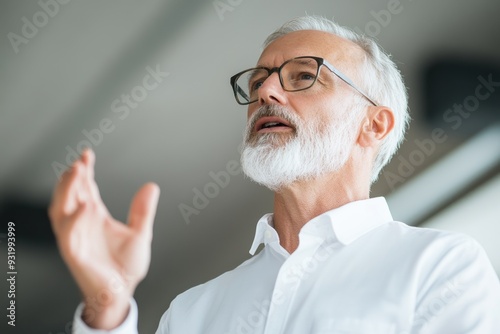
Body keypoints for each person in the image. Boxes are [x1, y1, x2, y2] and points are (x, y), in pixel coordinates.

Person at [49, 16, 500, 334]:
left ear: (373, 124)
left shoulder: (441, 267)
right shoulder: (192, 313)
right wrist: (107, 308)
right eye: (258, 81)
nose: (265, 91)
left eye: (303, 76)